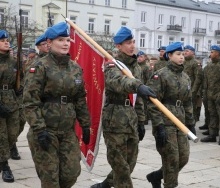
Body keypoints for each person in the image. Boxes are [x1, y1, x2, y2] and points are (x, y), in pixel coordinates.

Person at [23, 22, 91, 187]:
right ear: (49, 43)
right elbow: (30, 102)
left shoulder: (75, 68)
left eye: (67, 40)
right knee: (50, 179)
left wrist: (86, 125)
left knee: (71, 173)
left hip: (67, 131)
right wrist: (39, 129)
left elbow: (80, 98)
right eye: (60, 40)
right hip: (46, 130)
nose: (66, 43)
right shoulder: (39, 67)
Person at [90, 26, 156, 188]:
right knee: (120, 167)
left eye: (133, 42)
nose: (132, 45)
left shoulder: (137, 67)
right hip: (115, 121)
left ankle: (104, 185)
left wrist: (141, 121)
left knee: (129, 163)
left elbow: (138, 100)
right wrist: (137, 85)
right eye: (128, 43)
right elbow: (117, 82)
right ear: (118, 46)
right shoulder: (113, 65)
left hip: (131, 120)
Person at [146, 42, 194, 188]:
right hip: (166, 122)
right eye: (178, 54)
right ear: (169, 55)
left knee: (183, 157)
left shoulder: (185, 77)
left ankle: (157, 176)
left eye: (183, 54)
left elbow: (188, 101)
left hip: (180, 121)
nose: (181, 57)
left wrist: (191, 122)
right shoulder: (160, 75)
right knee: (171, 159)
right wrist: (158, 125)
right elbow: (153, 102)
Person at [0, 30, 20, 183]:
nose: (6, 42)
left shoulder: (14, 62)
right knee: (2, 136)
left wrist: (20, 91)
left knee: (13, 133)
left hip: (12, 100)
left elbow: (22, 80)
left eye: (6, 40)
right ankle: (5, 166)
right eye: (2, 40)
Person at [201, 45, 220, 146]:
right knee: (212, 115)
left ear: (218, 53)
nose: (210, 54)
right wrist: (205, 93)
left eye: (212, 52)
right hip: (210, 96)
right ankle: (212, 135)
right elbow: (206, 81)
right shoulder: (209, 66)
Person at [183, 45, 202, 125]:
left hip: (191, 90)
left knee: (192, 110)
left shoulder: (196, 63)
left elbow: (198, 78)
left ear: (193, 53)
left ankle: (191, 127)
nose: (185, 52)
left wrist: (194, 91)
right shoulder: (183, 61)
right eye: (184, 51)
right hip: (183, 90)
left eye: (187, 51)